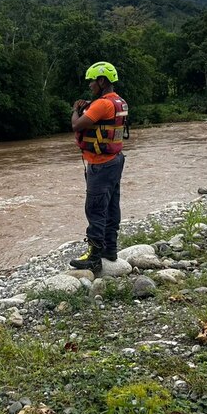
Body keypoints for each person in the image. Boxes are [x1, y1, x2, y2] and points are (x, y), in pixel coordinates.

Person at [69, 61, 129, 271]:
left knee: (95, 209)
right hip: (115, 160)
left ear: (102, 81)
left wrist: (75, 110)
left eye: (92, 81)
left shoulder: (102, 104)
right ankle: (109, 249)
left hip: (101, 164)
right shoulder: (119, 101)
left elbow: (77, 125)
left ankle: (94, 256)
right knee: (112, 205)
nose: (90, 85)